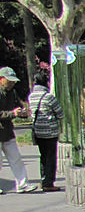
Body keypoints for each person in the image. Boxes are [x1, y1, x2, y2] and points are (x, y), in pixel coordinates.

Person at [0, 66, 39, 194]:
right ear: (1, 79)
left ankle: (23, 185)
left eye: (13, 81)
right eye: (9, 80)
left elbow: (17, 106)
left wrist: (23, 112)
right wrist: (12, 114)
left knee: (16, 159)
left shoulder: (12, 92)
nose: (12, 83)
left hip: (7, 132)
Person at [28, 68, 64, 192]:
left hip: (38, 131)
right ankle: (49, 183)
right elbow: (60, 113)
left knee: (43, 157)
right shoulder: (48, 97)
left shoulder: (31, 96)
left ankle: (43, 179)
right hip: (50, 132)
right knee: (51, 158)